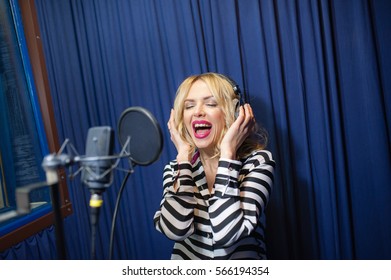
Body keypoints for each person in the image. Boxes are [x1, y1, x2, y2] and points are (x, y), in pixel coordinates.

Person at [153, 72, 275, 260]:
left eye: (210, 103)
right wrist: (183, 156)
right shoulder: (175, 169)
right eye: (189, 106)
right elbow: (174, 230)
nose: (197, 112)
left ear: (234, 113)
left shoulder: (258, 162)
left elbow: (227, 234)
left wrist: (228, 153)